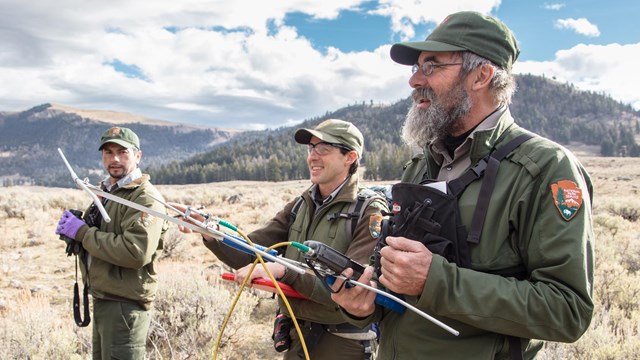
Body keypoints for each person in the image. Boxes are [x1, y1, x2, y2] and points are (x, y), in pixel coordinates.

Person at [330, 11, 594, 359]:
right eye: (416, 68)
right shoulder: (421, 165)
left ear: (481, 75)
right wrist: (363, 303)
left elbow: (568, 311)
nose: (414, 81)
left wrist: (437, 281)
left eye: (432, 66)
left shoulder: (543, 168)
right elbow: (398, 288)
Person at [177, 119, 387, 359]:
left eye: (323, 149)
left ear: (349, 157)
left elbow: (354, 285)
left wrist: (284, 271)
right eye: (311, 149)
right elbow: (250, 252)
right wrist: (210, 231)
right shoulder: (301, 204)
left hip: (343, 342)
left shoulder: (369, 211)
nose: (312, 157)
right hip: (295, 334)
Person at [55, 126, 168, 360]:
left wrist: (84, 234)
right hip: (106, 298)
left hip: (125, 306)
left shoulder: (144, 198)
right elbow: (104, 232)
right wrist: (77, 229)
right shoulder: (110, 192)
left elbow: (135, 251)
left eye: (122, 152)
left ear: (138, 156)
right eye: (108, 152)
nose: (114, 159)